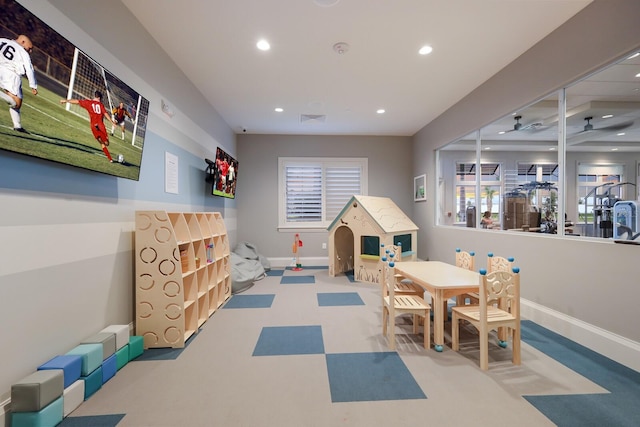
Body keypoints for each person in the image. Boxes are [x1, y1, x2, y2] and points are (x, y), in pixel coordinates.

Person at [60, 90, 117, 162]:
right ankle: (110, 158)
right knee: (107, 143)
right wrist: (112, 122)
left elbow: (77, 101)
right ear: (99, 98)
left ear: (94, 96)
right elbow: (105, 114)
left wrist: (65, 101)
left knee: (101, 143)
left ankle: (110, 159)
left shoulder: (88, 103)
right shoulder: (101, 105)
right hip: (100, 125)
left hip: (93, 126)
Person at [0, 34, 38, 132]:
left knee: (16, 103)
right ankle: (17, 126)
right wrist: (33, 85)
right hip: (11, 75)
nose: (30, 51)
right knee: (16, 104)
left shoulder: (3, 40)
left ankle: (17, 126)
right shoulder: (23, 52)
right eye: (29, 48)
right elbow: (29, 69)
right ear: (23, 42)